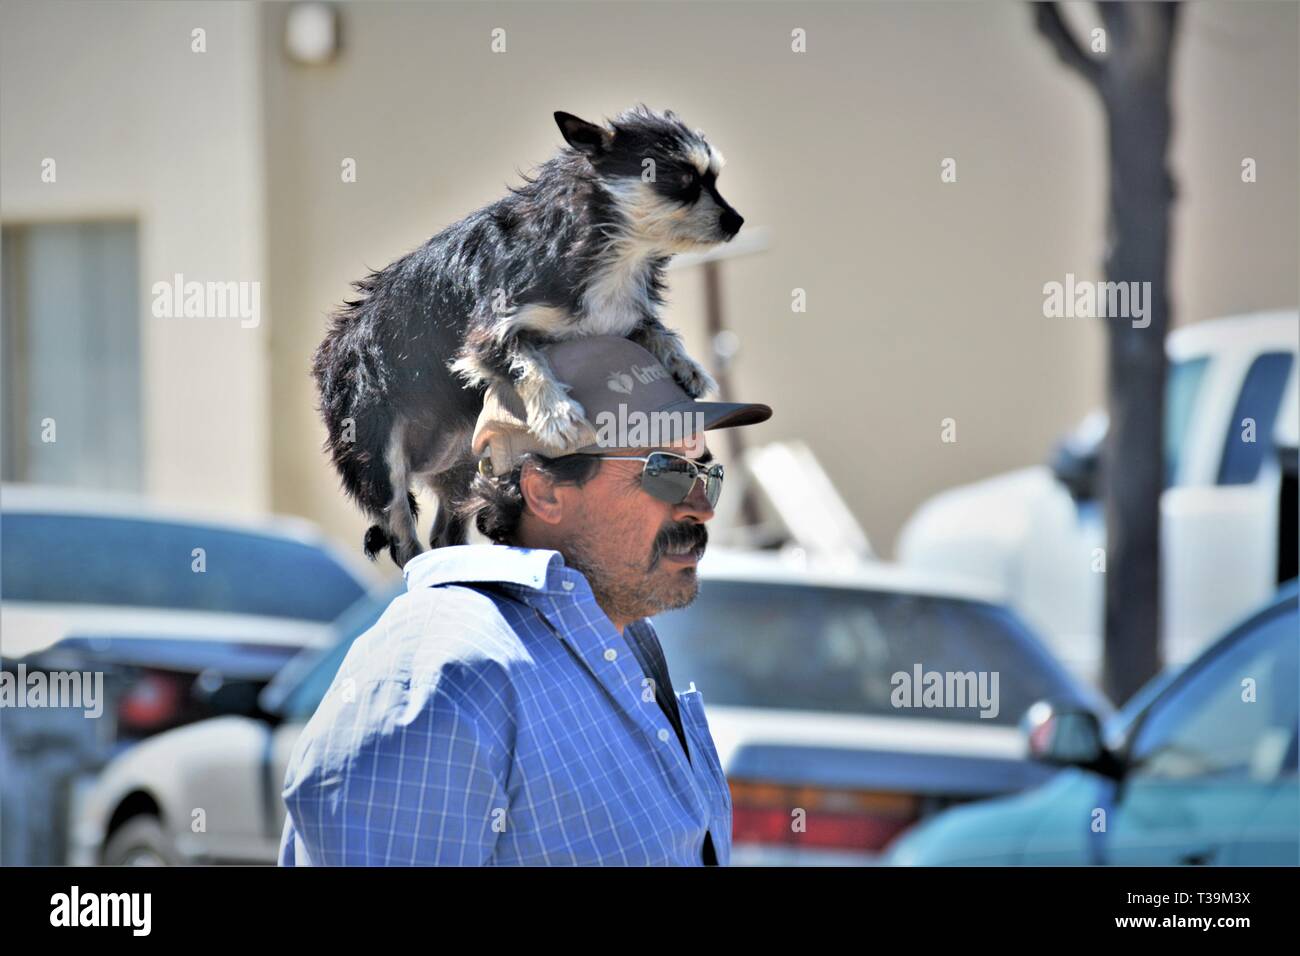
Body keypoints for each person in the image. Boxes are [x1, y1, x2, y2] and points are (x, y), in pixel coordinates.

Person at [278, 335, 771, 865]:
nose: (703, 508)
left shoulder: (616, 642)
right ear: (546, 491)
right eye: (668, 472)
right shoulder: (442, 675)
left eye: (706, 474)